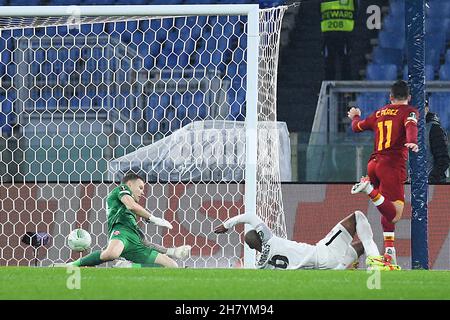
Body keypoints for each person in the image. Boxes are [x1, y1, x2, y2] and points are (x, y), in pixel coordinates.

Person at [347, 80, 419, 265]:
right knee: (395, 214)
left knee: (385, 207)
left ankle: (389, 252)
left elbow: (357, 127)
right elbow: (411, 126)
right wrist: (413, 141)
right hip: (391, 166)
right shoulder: (409, 111)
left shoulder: (379, 112)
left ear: (391, 97)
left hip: (373, 164)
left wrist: (355, 116)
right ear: (409, 97)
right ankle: (368, 189)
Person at [67, 172, 191, 268]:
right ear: (129, 184)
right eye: (140, 187)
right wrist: (153, 219)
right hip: (121, 232)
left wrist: (172, 252)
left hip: (135, 240)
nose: (142, 192)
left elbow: (146, 243)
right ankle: (75, 264)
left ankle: (129, 266)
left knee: (172, 266)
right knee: (111, 254)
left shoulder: (131, 219)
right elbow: (131, 205)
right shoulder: (121, 189)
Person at [214, 211, 400, 270]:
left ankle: (351, 265)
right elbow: (250, 216)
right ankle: (377, 262)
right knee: (357, 217)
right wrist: (228, 224)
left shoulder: (262, 265)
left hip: (324, 268)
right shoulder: (270, 240)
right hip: (323, 253)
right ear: (260, 237)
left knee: (357, 248)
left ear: (253, 248)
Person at [320, 0, 358, 80]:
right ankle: (331, 89)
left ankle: (345, 91)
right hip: (335, 34)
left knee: (343, 65)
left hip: (339, 35)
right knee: (332, 65)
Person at [425, 99, 450, 183]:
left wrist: (432, 179)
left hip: (431, 186)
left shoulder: (434, 129)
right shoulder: (405, 129)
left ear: (427, 109)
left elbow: (443, 160)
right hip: (409, 185)